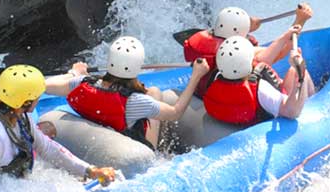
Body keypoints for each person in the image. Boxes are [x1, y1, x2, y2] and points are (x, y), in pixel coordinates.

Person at [0, 65, 117, 192]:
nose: (40, 97)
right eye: (37, 95)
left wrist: (90, 171)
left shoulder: (21, 115)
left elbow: (47, 148)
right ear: (26, 102)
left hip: (9, 174)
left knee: (48, 131)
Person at [44, 35, 210, 150]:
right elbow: (175, 113)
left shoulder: (81, 83)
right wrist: (196, 76)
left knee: (152, 91)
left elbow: (45, 85)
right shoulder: (136, 102)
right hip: (129, 147)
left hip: (100, 135)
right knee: (154, 93)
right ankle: (157, 151)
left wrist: (73, 73)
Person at [183, 3, 314, 97]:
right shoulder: (245, 54)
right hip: (244, 99)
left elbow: (229, 27)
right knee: (295, 72)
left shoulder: (206, 42)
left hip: (208, 94)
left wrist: (247, 24)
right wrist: (300, 20)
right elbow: (281, 51)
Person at [203, 32, 315, 125]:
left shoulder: (214, 76)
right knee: (293, 71)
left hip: (235, 119)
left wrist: (285, 37)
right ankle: (315, 101)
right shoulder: (261, 89)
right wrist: (300, 73)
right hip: (263, 116)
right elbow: (292, 112)